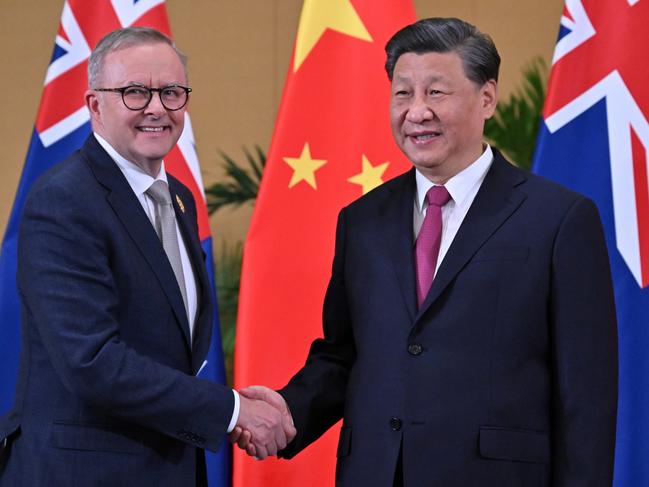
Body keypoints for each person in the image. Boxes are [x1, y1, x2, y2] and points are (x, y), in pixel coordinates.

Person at [233, 17, 618, 486]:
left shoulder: (558, 219)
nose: (416, 112)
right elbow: (347, 355)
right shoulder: (362, 220)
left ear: (487, 98)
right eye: (402, 93)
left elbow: (586, 395)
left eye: (436, 92)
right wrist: (290, 409)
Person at [0, 27, 294, 486]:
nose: (157, 107)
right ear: (95, 106)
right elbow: (92, 361)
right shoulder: (64, 200)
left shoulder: (178, 198)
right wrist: (232, 409)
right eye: (135, 92)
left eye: (171, 92)